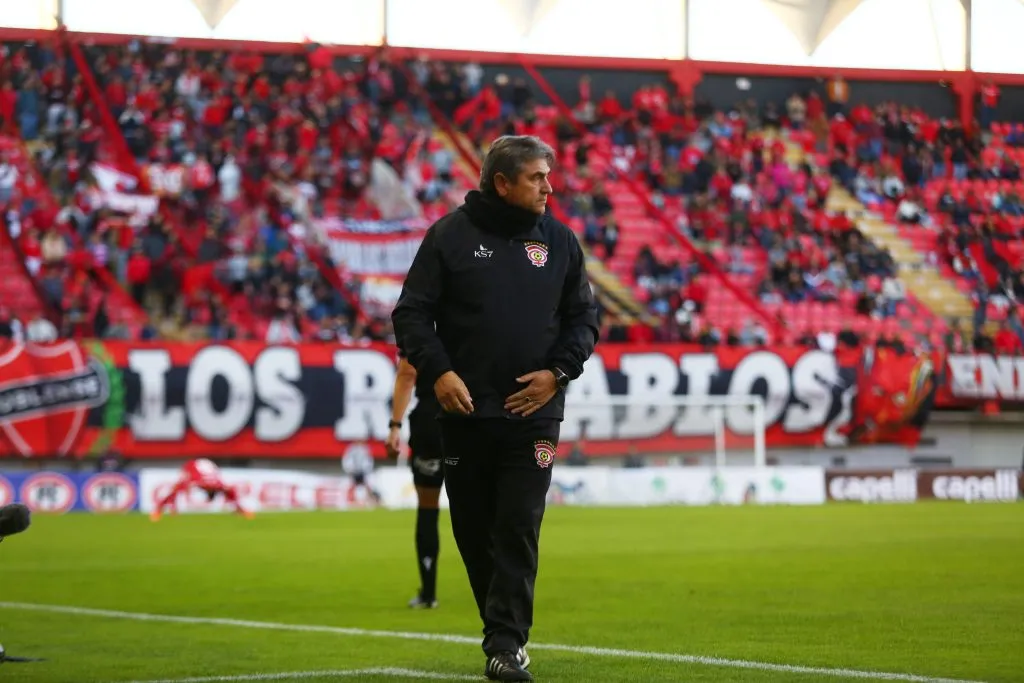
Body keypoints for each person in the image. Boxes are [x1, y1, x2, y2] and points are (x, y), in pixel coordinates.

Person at [392, 135, 599, 682]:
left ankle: (505, 644)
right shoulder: (449, 238)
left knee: (518, 524)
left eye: (548, 177)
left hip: (535, 414)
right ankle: (501, 632)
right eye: (536, 178)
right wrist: (439, 372)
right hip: (463, 413)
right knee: (472, 528)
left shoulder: (559, 242)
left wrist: (557, 374)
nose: (548, 188)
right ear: (502, 182)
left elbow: (585, 321)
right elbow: (411, 313)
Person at [385, 352, 444, 609]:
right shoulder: (476, 315)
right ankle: (494, 593)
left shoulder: (421, 320)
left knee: (428, 507)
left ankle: (428, 593)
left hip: (431, 422)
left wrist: (395, 426)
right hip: (471, 417)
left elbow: (407, 374)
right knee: (478, 508)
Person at [150, 458, 252, 521]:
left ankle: (241, 511)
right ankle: (159, 509)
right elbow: (176, 490)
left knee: (178, 489)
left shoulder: (216, 483)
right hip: (192, 466)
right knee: (177, 489)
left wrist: (239, 508)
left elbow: (229, 492)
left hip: (206, 466)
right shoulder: (199, 481)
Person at [341, 441, 382, 506]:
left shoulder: (365, 449)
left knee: (368, 486)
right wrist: (350, 469)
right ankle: (352, 501)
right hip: (354, 472)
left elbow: (369, 461)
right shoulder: (351, 449)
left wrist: (366, 469)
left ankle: (371, 501)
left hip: (364, 472)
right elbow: (347, 460)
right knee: (353, 486)